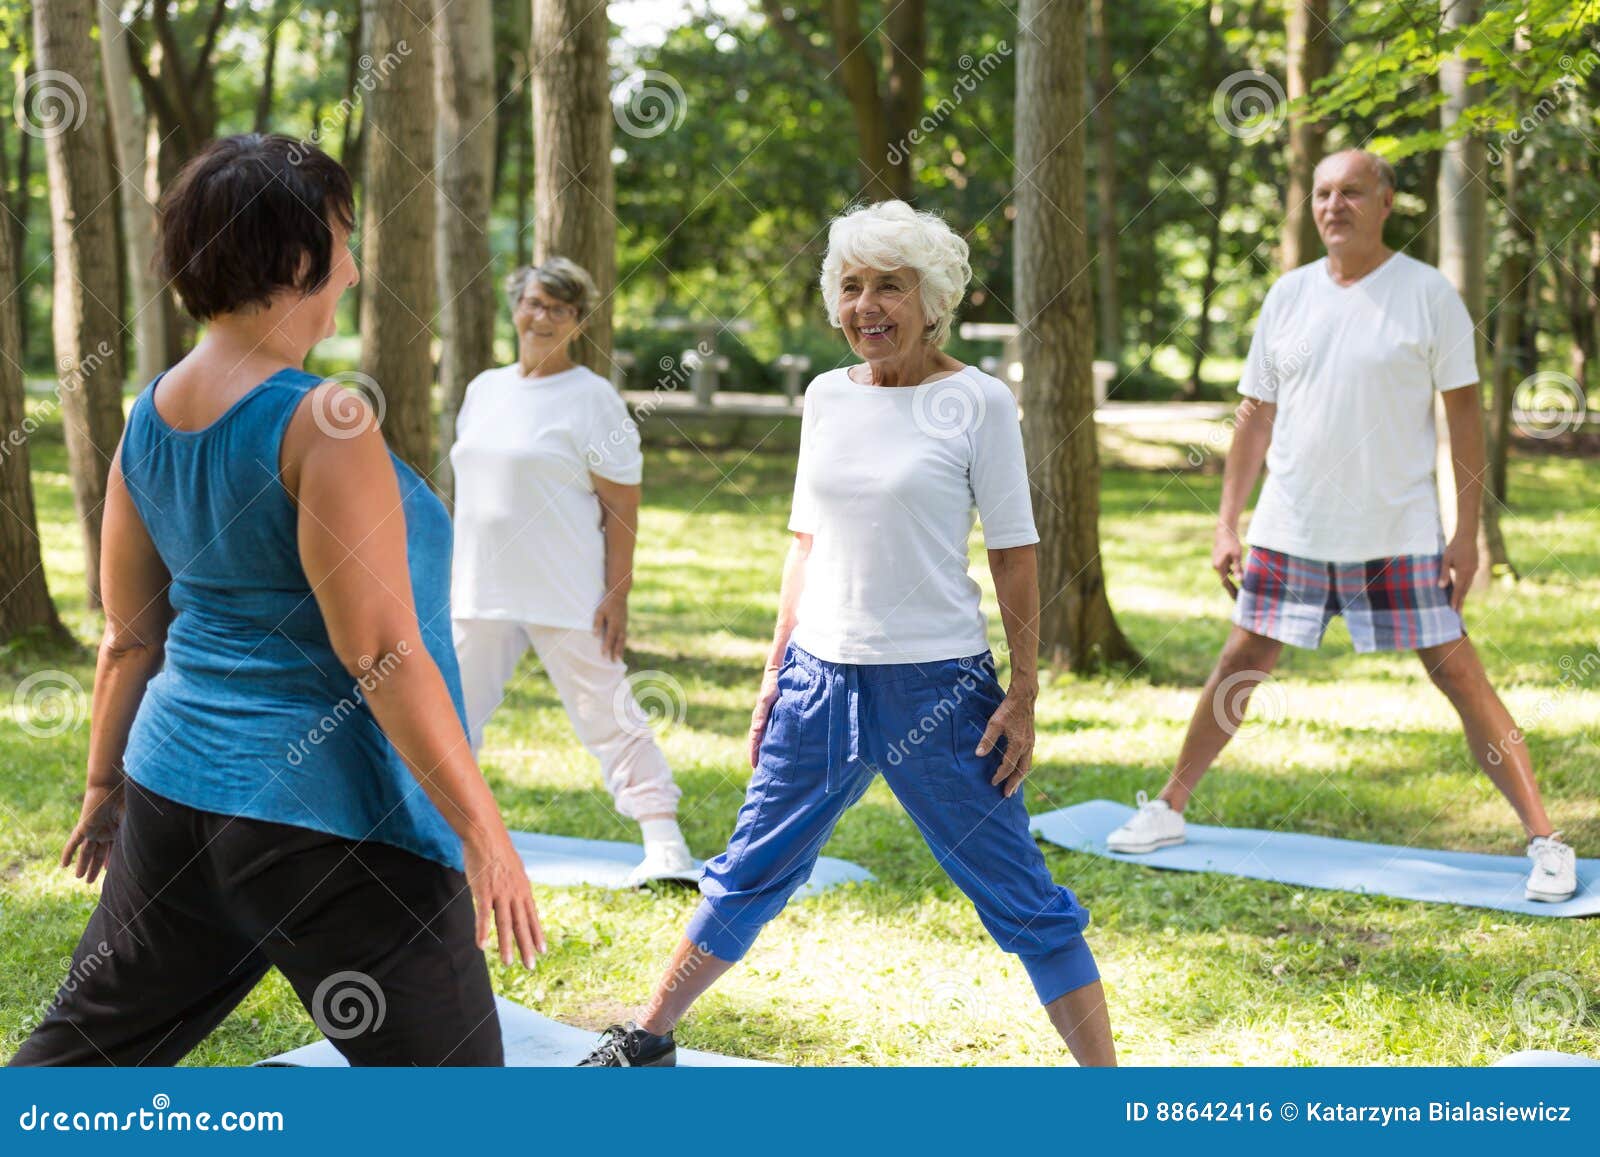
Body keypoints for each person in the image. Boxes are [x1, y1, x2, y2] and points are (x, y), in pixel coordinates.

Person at [8, 134, 544, 1068]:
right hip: (325, 821)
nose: (355, 265)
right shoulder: (326, 419)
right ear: (297, 257)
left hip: (171, 794)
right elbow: (378, 650)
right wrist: (483, 830)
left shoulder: (150, 410)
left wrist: (105, 788)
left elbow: (129, 639)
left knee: (81, 1065)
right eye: (342, 237)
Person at [577, 200, 1117, 1067]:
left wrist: (1023, 691)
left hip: (942, 691)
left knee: (1020, 894)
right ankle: (650, 1035)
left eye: (890, 287)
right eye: (853, 286)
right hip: (820, 679)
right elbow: (806, 544)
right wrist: (772, 673)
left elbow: (1016, 555)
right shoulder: (827, 395)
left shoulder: (977, 401)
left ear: (932, 298)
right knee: (751, 867)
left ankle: (1108, 1095)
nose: (868, 304)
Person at [1106, 149, 1578, 903]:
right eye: (1324, 192)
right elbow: (1254, 417)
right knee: (1239, 666)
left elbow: (1464, 419)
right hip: (1292, 527)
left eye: (1352, 191)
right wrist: (1228, 520)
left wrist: (1468, 533)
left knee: (1460, 674)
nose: (1335, 205)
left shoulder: (1427, 296)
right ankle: (1168, 806)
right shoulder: (1288, 297)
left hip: (1397, 531)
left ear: (1386, 201)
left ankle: (1546, 840)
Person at [449, 258, 690, 886]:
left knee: (610, 714)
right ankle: (438, 841)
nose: (543, 317)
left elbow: (623, 504)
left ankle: (666, 845)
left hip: (567, 591)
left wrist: (618, 592)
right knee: (449, 716)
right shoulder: (484, 390)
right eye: (534, 303)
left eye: (559, 308)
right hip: (479, 588)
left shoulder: (593, 398)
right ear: (516, 308)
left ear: (577, 322)